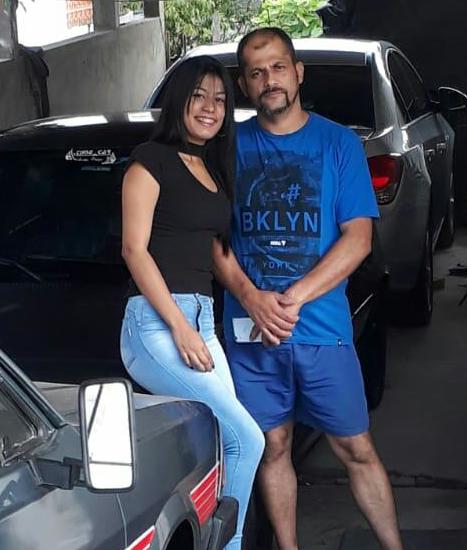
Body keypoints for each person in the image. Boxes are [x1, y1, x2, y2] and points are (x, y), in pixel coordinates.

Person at [213, 28, 403, 550]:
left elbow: (358, 239)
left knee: (356, 448)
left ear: (297, 73)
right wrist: (251, 298)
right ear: (244, 85)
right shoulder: (227, 149)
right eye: (256, 72)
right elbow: (212, 240)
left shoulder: (338, 144)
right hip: (251, 333)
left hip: (321, 329)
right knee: (273, 447)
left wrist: (292, 298)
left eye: (278, 67)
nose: (269, 80)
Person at [120, 55, 265, 550]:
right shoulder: (150, 160)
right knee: (248, 438)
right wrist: (179, 327)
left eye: (220, 99)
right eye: (199, 96)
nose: (210, 107)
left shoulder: (212, 168)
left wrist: (252, 297)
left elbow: (214, 250)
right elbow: (134, 250)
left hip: (203, 320)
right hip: (156, 324)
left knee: (224, 447)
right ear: (179, 100)